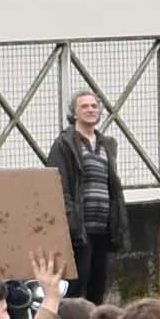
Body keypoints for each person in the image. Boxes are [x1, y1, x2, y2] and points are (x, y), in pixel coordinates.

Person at [52, 90, 126, 303]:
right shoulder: (64, 144)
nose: (90, 110)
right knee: (75, 286)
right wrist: (70, 221)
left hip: (102, 227)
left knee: (98, 285)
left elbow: (112, 186)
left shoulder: (107, 145)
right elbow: (59, 184)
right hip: (78, 228)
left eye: (94, 106)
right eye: (84, 106)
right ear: (74, 113)